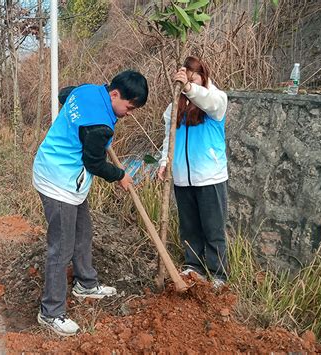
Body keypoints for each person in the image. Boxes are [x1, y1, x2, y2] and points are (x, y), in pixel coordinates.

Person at [32, 71, 149, 336]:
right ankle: (51, 312)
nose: (129, 113)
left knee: (83, 230)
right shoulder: (100, 127)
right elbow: (93, 163)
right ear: (115, 94)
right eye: (129, 107)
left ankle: (86, 284)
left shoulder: (87, 90)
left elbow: (65, 94)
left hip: (68, 177)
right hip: (58, 179)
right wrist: (120, 175)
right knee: (60, 248)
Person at [157, 56, 229, 289]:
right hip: (182, 178)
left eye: (194, 76)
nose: (189, 82)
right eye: (186, 77)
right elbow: (169, 137)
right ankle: (193, 267)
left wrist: (189, 88)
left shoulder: (215, 99)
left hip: (209, 177)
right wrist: (164, 162)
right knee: (189, 227)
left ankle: (218, 274)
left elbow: (210, 102)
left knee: (213, 228)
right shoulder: (174, 106)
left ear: (203, 76)